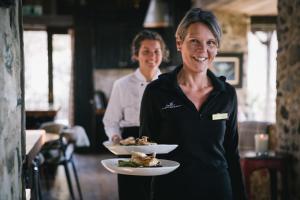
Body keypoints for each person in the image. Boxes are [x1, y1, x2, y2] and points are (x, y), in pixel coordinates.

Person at [139, 8, 247, 200]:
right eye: (194, 41)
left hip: (219, 192)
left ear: (217, 48)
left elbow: (231, 153)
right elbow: (145, 153)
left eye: (210, 42)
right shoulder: (156, 92)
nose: (203, 50)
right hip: (170, 192)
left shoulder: (227, 94)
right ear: (179, 43)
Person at [103, 30, 169, 200]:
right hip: (130, 146)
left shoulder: (170, 86)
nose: (152, 56)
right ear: (136, 55)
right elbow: (111, 121)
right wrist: (116, 137)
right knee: (131, 194)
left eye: (156, 51)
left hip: (161, 146)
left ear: (163, 54)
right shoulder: (121, 85)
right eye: (146, 51)